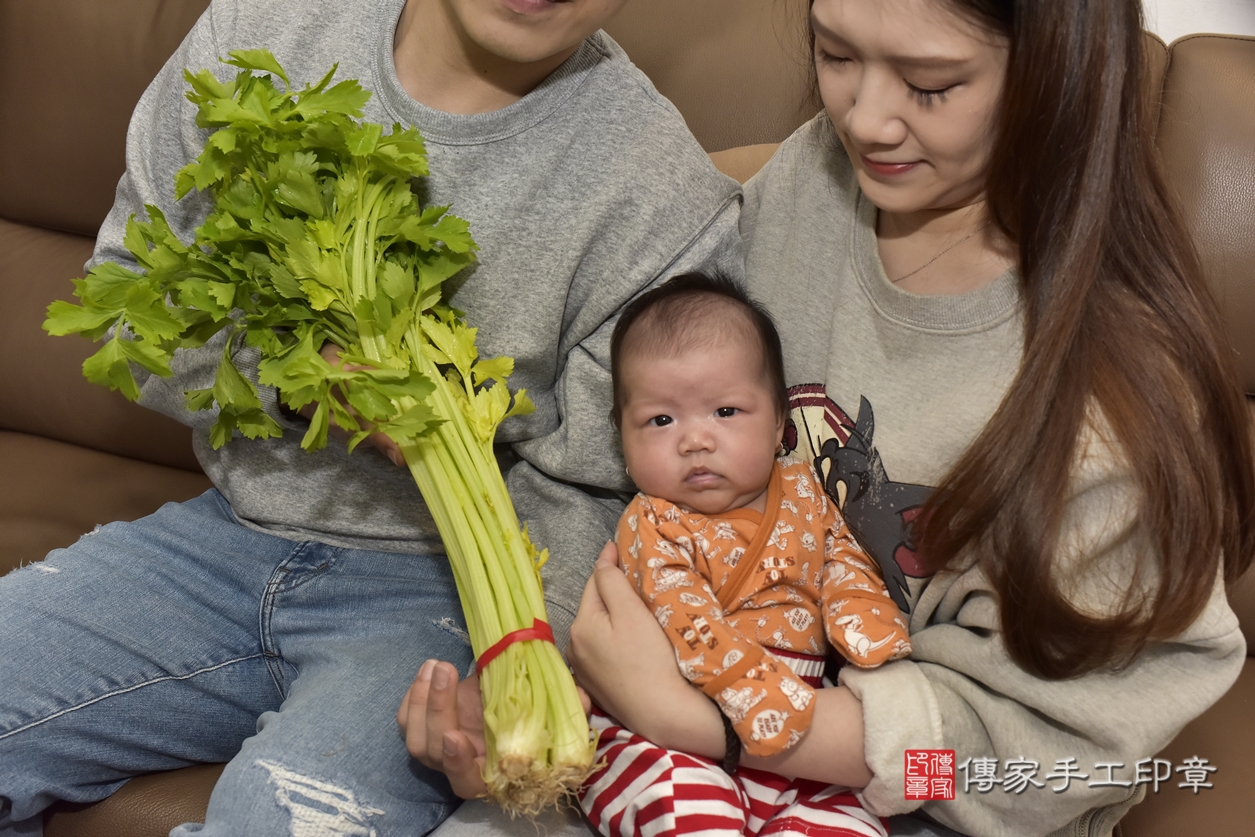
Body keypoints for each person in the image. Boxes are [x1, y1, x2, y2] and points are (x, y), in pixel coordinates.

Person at [403, 1, 1255, 836]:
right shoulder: (817, 178)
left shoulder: (1116, 410)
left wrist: (728, 730)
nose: (866, 121)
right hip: (688, 707)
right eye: (835, 54)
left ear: (1056, 79)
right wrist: (538, 689)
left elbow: (1029, 767)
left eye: (929, 85)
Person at [0, 1, 742, 835]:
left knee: (283, 818)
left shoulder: (663, 191)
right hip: (219, 537)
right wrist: (293, 383)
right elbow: (126, 299)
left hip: (440, 599)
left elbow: (601, 484)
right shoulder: (259, 34)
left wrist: (519, 662)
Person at [580, 273, 909, 837]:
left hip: (807, 721)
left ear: (779, 420)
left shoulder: (805, 489)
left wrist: (861, 613)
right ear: (622, 438)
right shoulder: (653, 519)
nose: (694, 440)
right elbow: (680, 608)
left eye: (726, 412)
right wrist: (743, 681)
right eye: (661, 420)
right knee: (694, 809)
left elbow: (840, 555)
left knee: (852, 824)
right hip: (666, 726)